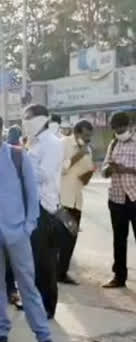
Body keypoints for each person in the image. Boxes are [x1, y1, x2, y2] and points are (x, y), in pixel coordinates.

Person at [0, 112, 62, 342]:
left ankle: (43, 335)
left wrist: (28, 226)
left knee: (27, 284)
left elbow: (32, 195)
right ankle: (1, 330)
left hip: (17, 232)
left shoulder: (19, 157)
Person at [23, 104, 63, 319]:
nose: (25, 122)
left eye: (28, 118)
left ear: (41, 118)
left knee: (45, 261)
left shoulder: (52, 143)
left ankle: (48, 307)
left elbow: (44, 175)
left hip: (45, 207)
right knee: (33, 260)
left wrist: (23, 161)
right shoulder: (36, 142)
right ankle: (35, 302)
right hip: (32, 205)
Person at [101, 111, 136, 289]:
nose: (118, 133)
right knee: (119, 240)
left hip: (134, 197)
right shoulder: (113, 143)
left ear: (129, 126)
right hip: (116, 198)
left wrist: (127, 169)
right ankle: (119, 277)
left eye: (121, 129)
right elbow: (104, 168)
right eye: (115, 129)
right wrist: (109, 169)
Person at [58, 120, 95, 285]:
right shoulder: (62, 144)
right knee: (57, 239)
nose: (87, 140)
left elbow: (85, 178)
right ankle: (51, 272)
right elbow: (59, 169)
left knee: (70, 239)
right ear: (76, 133)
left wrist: (89, 174)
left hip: (76, 201)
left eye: (89, 138)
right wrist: (77, 156)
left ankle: (62, 272)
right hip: (61, 200)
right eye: (85, 136)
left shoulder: (88, 150)